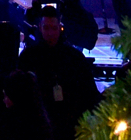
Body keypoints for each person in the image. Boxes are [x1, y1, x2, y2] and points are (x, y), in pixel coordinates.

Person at [19, 8, 100, 140]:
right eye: (46, 28)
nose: (50, 33)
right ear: (40, 27)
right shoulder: (28, 57)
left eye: (53, 28)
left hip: (69, 122)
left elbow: (89, 92)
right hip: (40, 124)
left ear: (60, 28)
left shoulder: (74, 58)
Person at [2, 69, 54, 140]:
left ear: (15, 96)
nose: (4, 100)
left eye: (6, 95)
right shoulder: (40, 117)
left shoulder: (19, 125)